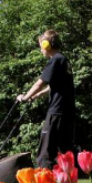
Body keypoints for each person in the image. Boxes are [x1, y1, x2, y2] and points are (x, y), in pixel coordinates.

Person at [16, 30, 76, 171]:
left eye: (40, 46)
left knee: (46, 150)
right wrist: (37, 95)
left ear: (46, 45)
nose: (40, 49)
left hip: (56, 111)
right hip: (67, 111)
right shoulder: (64, 60)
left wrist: (24, 98)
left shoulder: (55, 60)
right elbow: (55, 86)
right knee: (67, 149)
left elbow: (39, 83)